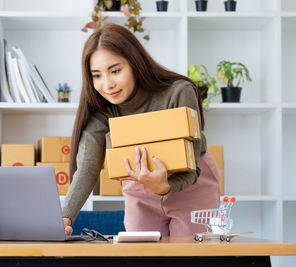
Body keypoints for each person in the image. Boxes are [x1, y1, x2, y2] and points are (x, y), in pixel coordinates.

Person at [62, 24, 220, 236]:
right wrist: (65, 217)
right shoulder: (102, 108)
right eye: (97, 75)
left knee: (191, 257)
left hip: (191, 186)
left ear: (135, 63)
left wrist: (163, 186)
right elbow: (87, 168)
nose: (107, 84)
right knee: (142, 257)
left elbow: (191, 169)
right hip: (140, 190)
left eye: (115, 71)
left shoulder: (179, 92)